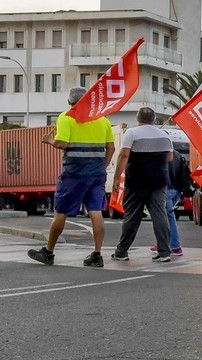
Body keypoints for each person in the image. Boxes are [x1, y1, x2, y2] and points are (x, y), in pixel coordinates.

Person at [27, 87, 115, 267]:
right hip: (97, 174)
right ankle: (97, 255)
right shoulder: (102, 119)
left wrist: (48, 140)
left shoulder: (66, 117)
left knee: (61, 212)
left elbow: (62, 143)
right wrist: (102, 166)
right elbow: (111, 147)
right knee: (96, 212)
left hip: (74, 174)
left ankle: (48, 253)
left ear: (70, 102)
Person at [109, 107, 174, 263]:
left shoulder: (131, 133)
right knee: (160, 215)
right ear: (154, 119)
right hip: (159, 181)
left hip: (136, 180)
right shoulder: (164, 135)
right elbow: (170, 157)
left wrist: (116, 179)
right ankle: (164, 252)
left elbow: (124, 155)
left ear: (138, 119)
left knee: (132, 215)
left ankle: (122, 252)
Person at [155, 150, 193, 258]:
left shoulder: (162, 152)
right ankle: (165, 244)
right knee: (167, 216)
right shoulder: (176, 154)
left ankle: (174, 246)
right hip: (176, 189)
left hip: (166, 188)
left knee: (167, 217)